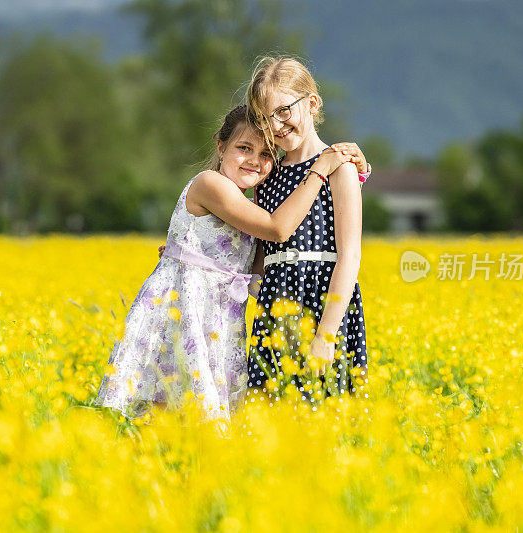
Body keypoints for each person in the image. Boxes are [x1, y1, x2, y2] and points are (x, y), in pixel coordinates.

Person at [94, 105, 362, 421]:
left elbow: (261, 270)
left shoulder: (247, 208)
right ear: (221, 147)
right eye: (244, 148)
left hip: (219, 319)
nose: (254, 160)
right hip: (186, 311)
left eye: (266, 154)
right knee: (165, 406)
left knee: (199, 414)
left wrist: (356, 174)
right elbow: (279, 228)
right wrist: (321, 168)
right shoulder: (211, 183)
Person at [245, 56, 371, 412]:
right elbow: (257, 251)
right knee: (270, 420)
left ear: (311, 103)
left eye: (283, 111)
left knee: (324, 420)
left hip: (323, 303)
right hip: (274, 303)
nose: (276, 126)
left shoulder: (341, 167)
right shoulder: (265, 174)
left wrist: (327, 334)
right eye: (264, 119)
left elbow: (350, 256)